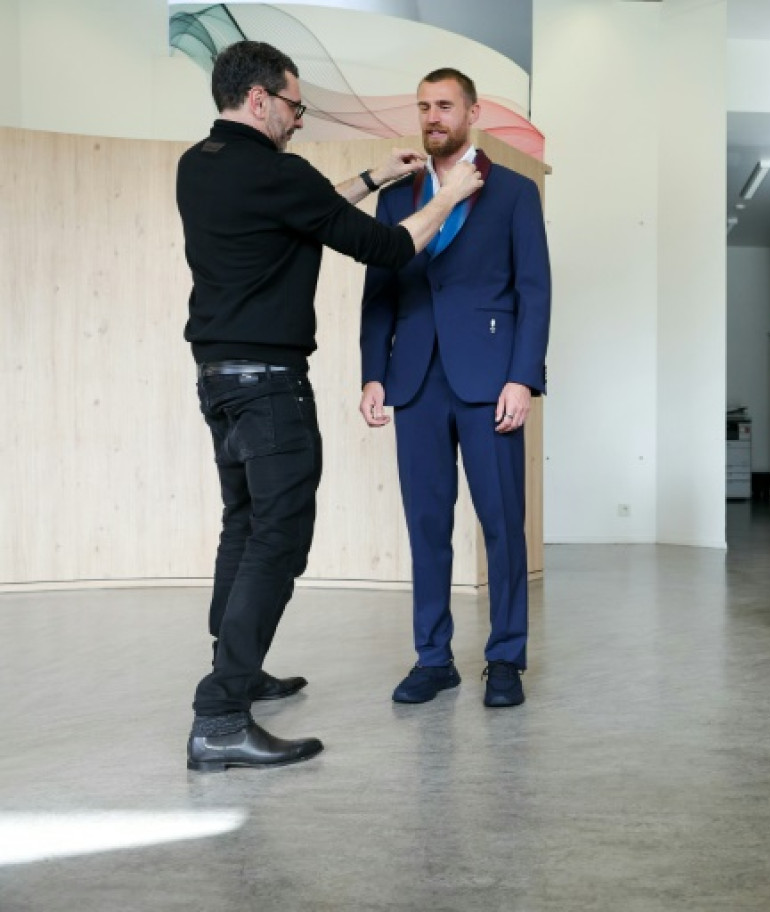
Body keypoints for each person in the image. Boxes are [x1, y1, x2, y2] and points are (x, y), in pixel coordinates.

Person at [177, 41, 483, 771]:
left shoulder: (201, 166)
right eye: (293, 105)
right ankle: (221, 716)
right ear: (260, 101)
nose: (299, 119)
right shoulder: (278, 173)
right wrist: (448, 195)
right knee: (277, 539)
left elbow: (303, 212)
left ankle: (238, 670)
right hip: (271, 388)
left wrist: (376, 175)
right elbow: (387, 247)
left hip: (219, 380)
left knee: (244, 524)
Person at [358, 68, 551, 709]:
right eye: (423, 107)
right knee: (426, 526)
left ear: (473, 114)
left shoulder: (515, 193)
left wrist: (523, 377)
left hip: (490, 380)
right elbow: (378, 292)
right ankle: (433, 658)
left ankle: (505, 661)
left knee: (502, 525)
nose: (432, 116)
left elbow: (535, 292)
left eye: (444, 105)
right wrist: (373, 372)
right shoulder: (397, 196)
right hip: (414, 382)